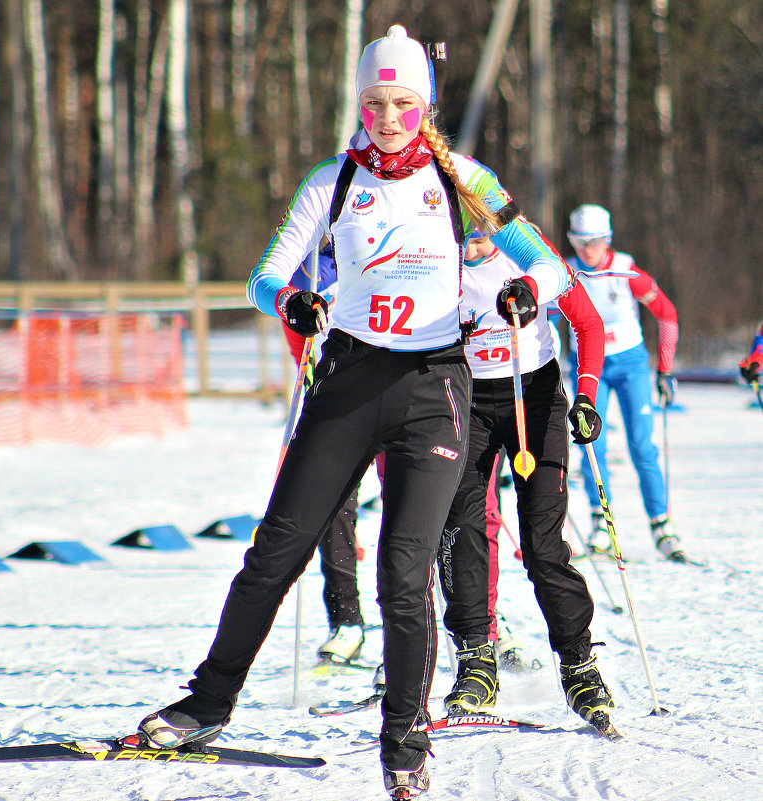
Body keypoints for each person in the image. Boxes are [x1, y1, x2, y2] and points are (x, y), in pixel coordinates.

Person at [137, 25, 574, 799]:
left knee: (402, 573)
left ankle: (405, 740)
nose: (389, 118)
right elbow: (263, 274)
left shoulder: (465, 178)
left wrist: (525, 290)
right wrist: (293, 299)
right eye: (375, 102)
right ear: (360, 104)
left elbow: (552, 266)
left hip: (434, 388)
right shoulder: (331, 180)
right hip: (346, 380)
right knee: (275, 551)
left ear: (425, 106)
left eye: (404, 103)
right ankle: (208, 702)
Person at [437, 231, 613, 727]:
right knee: (462, 528)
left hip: (533, 397)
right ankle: (476, 660)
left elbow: (588, 322)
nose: (467, 245)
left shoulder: (529, 256)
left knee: (541, 541)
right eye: (458, 232)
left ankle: (579, 663)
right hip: (464, 400)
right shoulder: (432, 257)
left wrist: (586, 395)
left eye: (476, 234)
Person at [564, 204, 686, 562]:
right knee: (591, 446)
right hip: (589, 366)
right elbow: (540, 315)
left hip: (631, 363)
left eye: (597, 241)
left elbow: (667, 315)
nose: (589, 249)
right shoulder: (566, 273)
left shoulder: (627, 271)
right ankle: (601, 524)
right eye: (581, 241)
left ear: (609, 239)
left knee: (641, 445)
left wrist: (664, 369)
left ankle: (661, 525)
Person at [282, 243, 365, 664]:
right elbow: (293, 325)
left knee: (415, 506)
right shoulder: (308, 268)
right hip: (333, 391)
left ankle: (468, 618)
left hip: (393, 383)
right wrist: (307, 362)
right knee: (333, 506)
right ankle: (346, 620)